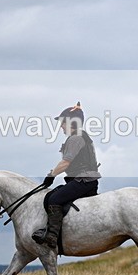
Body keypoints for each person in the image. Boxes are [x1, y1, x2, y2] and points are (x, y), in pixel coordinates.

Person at [32, 102, 101, 249]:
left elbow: (65, 162)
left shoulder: (75, 138)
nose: (61, 126)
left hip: (83, 180)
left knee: (54, 199)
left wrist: (51, 175)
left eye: (63, 123)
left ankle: (51, 236)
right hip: (86, 180)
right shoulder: (82, 136)